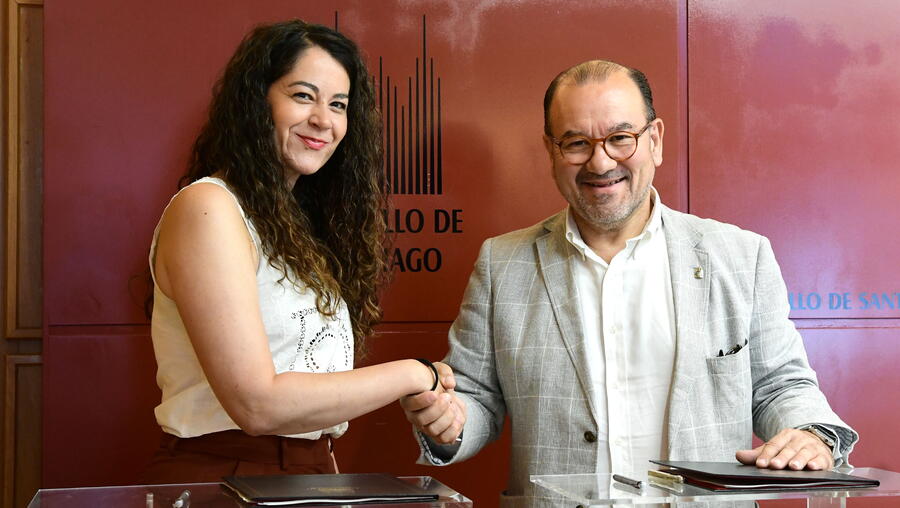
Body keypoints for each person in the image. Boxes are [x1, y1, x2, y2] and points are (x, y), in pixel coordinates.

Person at [400, 59, 858, 506]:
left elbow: (780, 384)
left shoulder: (741, 256)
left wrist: (810, 433)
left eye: (620, 138)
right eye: (576, 142)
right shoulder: (503, 263)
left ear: (655, 140)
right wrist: (452, 421)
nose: (600, 163)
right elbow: (476, 397)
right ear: (551, 151)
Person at [140, 19, 461, 483]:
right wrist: (415, 373)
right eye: (303, 96)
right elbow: (257, 405)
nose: (323, 120)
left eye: (338, 105)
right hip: (224, 478)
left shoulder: (301, 227)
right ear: (257, 102)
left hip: (311, 475)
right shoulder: (209, 207)